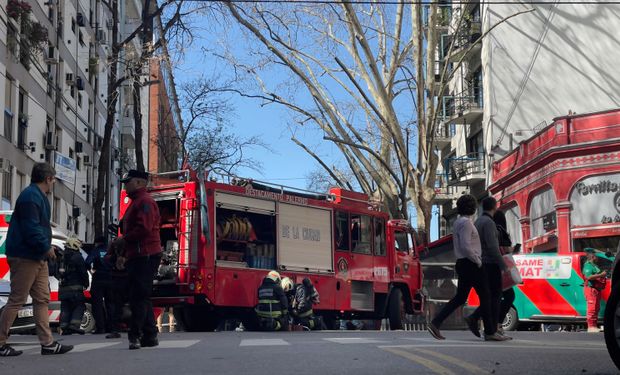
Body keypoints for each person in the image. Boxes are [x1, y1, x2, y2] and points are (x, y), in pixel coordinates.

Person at [0, 162, 73, 356]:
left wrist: (44, 249)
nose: (54, 184)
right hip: (25, 256)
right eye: (53, 180)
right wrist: (46, 247)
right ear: (48, 179)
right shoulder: (31, 197)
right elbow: (31, 228)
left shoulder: (35, 196)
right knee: (17, 299)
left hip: (35, 256)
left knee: (42, 299)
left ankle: (47, 343)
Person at [427, 194, 505, 341]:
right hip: (471, 264)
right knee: (486, 296)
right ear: (472, 207)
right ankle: (489, 331)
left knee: (461, 297)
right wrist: (478, 260)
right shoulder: (467, 224)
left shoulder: (458, 222)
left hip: (463, 263)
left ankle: (436, 322)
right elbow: (465, 245)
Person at [112, 169, 162, 350]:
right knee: (141, 296)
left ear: (140, 182)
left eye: (128, 182)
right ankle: (149, 335)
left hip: (145, 255)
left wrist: (123, 240)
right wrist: (124, 255)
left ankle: (136, 335)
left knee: (138, 297)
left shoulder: (144, 202)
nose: (125, 186)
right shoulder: (138, 202)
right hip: (140, 254)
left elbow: (144, 229)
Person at [466, 210, 516, 337]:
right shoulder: (497, 229)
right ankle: (493, 326)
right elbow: (502, 249)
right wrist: (505, 264)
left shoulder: (480, 224)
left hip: (483, 264)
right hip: (496, 266)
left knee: (493, 296)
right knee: (503, 296)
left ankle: (483, 321)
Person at [473, 197, 509, 341]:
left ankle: (490, 329)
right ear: (494, 207)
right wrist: (503, 265)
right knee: (495, 297)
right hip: (490, 263)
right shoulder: (488, 223)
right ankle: (492, 330)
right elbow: (493, 247)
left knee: (489, 297)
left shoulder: (478, 221)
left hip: (482, 263)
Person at [58, 237, 89, 335]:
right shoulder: (77, 257)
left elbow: (56, 271)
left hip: (63, 288)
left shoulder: (61, 256)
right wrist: (86, 283)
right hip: (75, 289)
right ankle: (74, 325)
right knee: (79, 306)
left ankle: (64, 326)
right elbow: (83, 272)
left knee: (65, 307)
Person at [86, 236, 114, 334]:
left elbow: (87, 262)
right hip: (111, 278)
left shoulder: (96, 250)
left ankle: (100, 327)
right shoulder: (110, 250)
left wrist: (91, 270)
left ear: (97, 243)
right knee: (110, 303)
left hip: (98, 278)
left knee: (97, 304)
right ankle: (111, 327)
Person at [582, 248, 607, 333]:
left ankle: (594, 326)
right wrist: (601, 274)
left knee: (596, 308)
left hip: (596, 289)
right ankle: (591, 326)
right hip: (591, 289)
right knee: (592, 308)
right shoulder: (588, 266)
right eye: (596, 255)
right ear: (592, 256)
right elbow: (588, 277)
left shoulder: (594, 265)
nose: (598, 257)